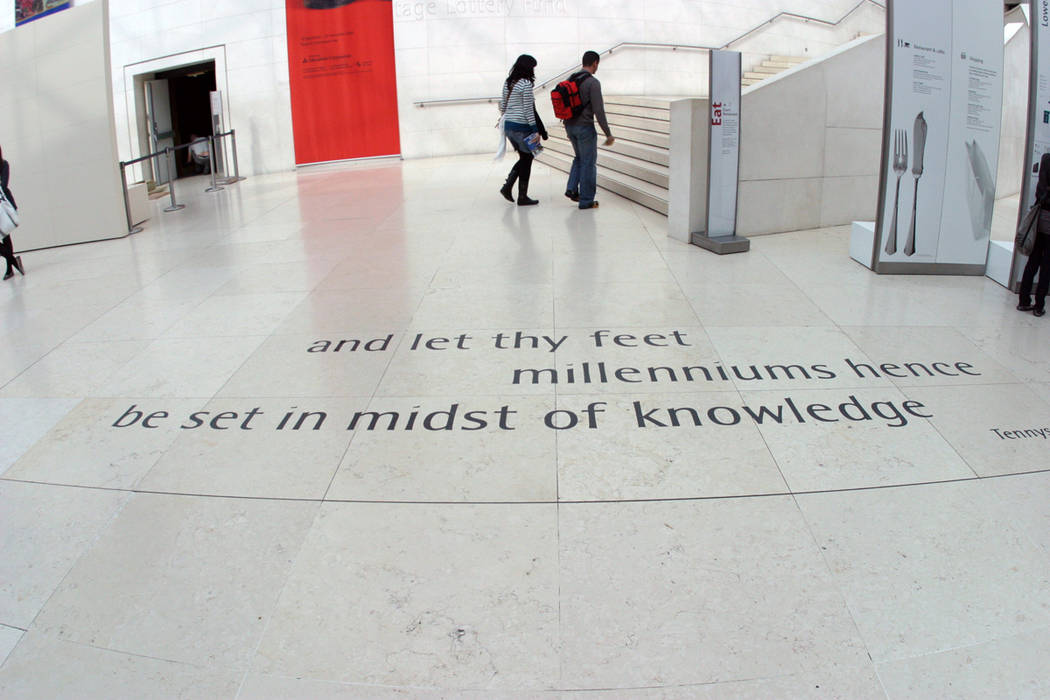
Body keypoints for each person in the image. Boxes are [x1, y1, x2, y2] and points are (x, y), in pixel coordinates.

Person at [563, 50, 615, 210]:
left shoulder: (570, 79)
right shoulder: (593, 83)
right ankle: (586, 200)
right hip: (585, 128)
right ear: (595, 63)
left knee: (579, 158)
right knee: (588, 163)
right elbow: (599, 111)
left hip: (569, 126)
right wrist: (608, 133)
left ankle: (572, 189)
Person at [498, 54, 547, 206]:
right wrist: (536, 130)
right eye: (532, 67)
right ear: (528, 67)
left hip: (509, 127)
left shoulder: (508, 82)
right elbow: (528, 110)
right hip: (522, 127)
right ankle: (519, 195)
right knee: (527, 158)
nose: (534, 71)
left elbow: (503, 106)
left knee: (526, 157)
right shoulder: (525, 84)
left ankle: (509, 188)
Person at [1019, 151, 1050, 317]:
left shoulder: (1046, 158)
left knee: (1033, 261)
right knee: (1047, 267)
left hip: (1039, 220)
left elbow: (1041, 190)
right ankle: (1039, 306)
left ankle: (1024, 301)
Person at [0, 145, 24, 281]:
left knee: (5, 236)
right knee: (4, 237)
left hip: (4, 206)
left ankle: (10, 268)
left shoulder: (4, 164)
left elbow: (3, 185)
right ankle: (14, 262)